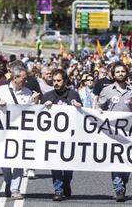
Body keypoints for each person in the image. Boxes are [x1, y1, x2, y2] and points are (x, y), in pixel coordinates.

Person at [0, 66, 39, 200]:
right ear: (15, 78)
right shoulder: (1, 91)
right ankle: (8, 180)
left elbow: (32, 113)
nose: (25, 81)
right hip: (4, 132)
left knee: (19, 159)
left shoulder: (28, 92)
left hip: (20, 133)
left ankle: (15, 189)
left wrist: (34, 102)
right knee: (4, 160)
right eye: (23, 79)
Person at [97, 62, 132, 202]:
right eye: (118, 72)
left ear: (126, 73)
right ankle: (118, 188)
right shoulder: (107, 90)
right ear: (113, 74)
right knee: (116, 159)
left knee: (128, 160)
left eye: (123, 71)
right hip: (112, 132)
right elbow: (99, 106)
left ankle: (123, 183)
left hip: (129, 131)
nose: (121, 74)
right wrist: (98, 111)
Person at [41, 68, 83, 201]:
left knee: (68, 165)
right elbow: (39, 117)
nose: (56, 83)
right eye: (54, 81)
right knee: (56, 164)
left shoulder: (73, 94)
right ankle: (58, 190)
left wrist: (78, 106)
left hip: (70, 137)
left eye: (59, 80)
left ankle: (67, 182)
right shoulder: (48, 96)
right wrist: (43, 106)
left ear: (65, 81)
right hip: (53, 137)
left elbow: (81, 114)